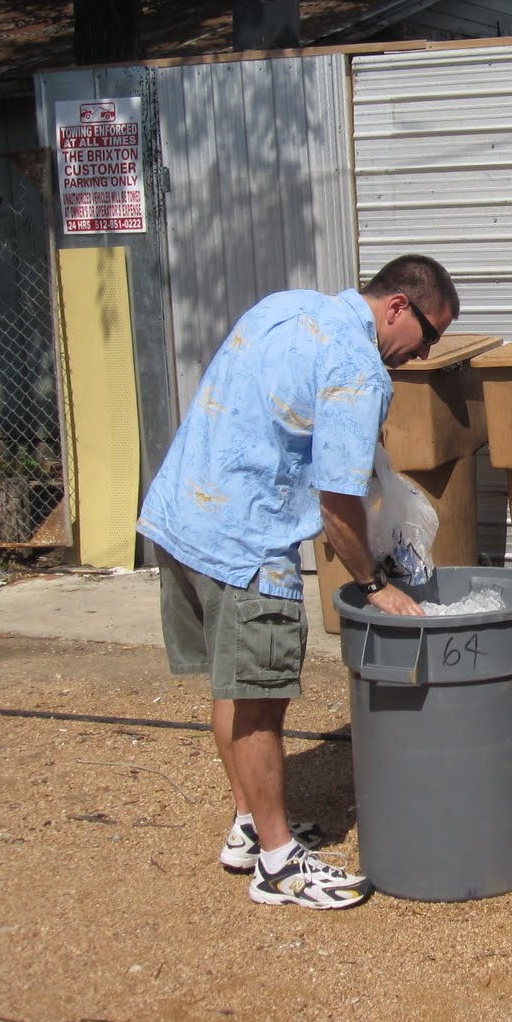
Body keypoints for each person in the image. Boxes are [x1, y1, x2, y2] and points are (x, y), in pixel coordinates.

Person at [136, 255, 458, 909]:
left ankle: (249, 828)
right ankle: (280, 864)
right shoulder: (357, 368)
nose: (425, 353)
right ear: (397, 306)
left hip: (182, 517)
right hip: (247, 542)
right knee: (260, 698)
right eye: (428, 334)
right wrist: (374, 584)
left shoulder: (287, 307)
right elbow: (337, 503)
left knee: (232, 685)